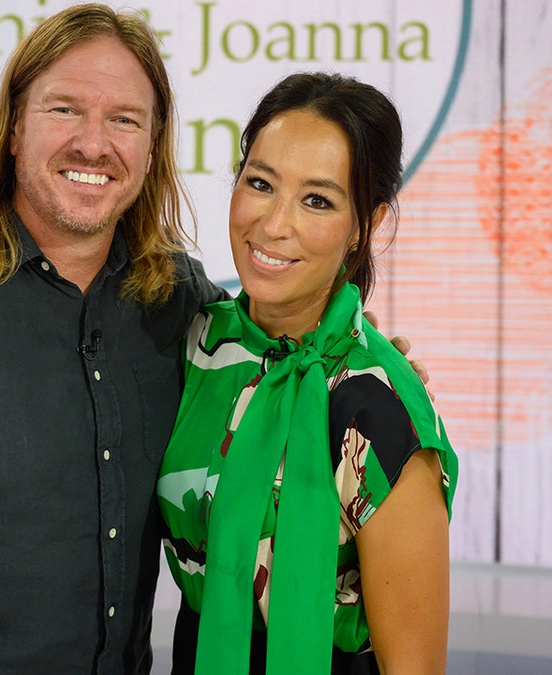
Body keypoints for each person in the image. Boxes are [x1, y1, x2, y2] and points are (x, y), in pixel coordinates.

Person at [0, 4, 427, 673]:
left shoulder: (180, 301)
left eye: (124, 120)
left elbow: (281, 356)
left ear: (151, 145)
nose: (93, 142)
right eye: (65, 110)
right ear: (16, 127)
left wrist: (377, 373)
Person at [156, 72, 459, 674]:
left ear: (365, 225)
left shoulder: (380, 406)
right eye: (261, 183)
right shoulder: (194, 347)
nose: (273, 225)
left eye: (317, 200)